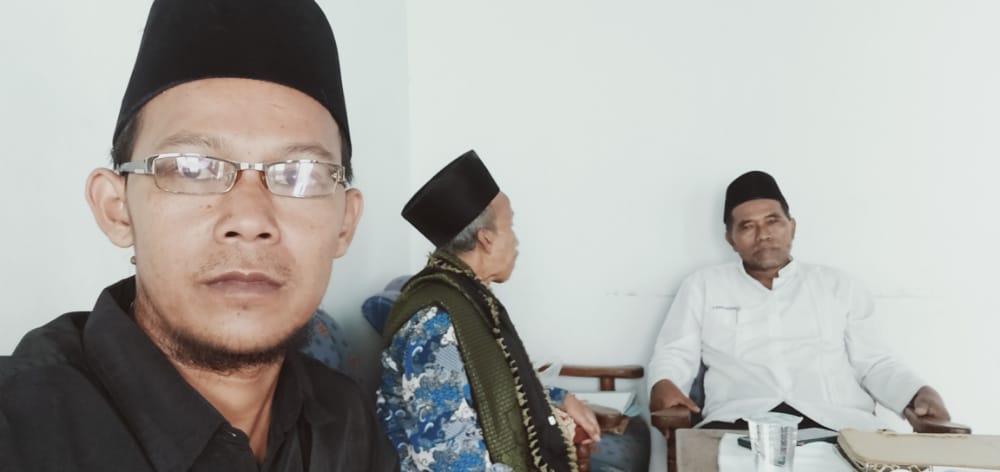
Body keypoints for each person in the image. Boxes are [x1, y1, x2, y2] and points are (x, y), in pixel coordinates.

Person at [0, 1, 398, 470]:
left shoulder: (347, 423)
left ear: (345, 224)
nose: (249, 219)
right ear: (117, 209)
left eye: (301, 174)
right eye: (192, 168)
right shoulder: (21, 430)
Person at [647, 170, 952, 432]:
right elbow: (675, 352)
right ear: (730, 239)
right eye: (747, 226)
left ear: (792, 226)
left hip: (838, 424)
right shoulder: (703, 286)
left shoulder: (838, 286)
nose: (763, 235)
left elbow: (874, 363)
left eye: (773, 221)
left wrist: (917, 393)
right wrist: (663, 383)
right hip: (738, 423)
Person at [376, 150, 600, 471]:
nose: (517, 241)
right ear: (486, 239)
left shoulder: (468, 298)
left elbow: (490, 388)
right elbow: (448, 459)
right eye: (511, 226)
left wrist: (559, 397)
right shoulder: (436, 323)